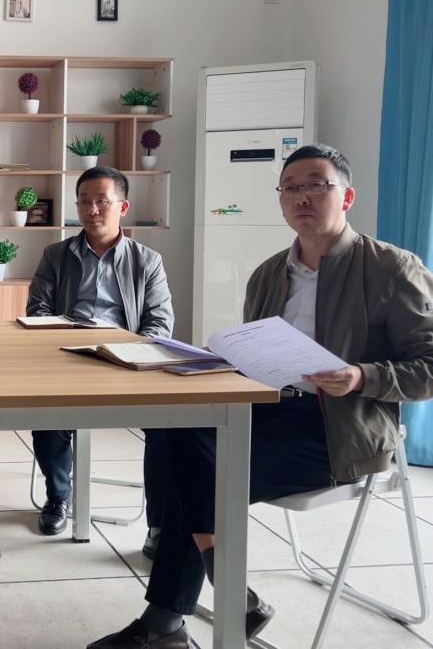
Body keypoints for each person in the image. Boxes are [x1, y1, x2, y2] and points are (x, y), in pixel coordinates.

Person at [87, 144, 433, 648]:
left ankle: (174, 618)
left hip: (340, 426)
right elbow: (257, 356)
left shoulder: (391, 269)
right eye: (290, 188)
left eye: (316, 185)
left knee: (197, 472)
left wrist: (362, 376)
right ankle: (213, 585)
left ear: (347, 197)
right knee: (173, 430)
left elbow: (429, 366)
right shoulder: (270, 273)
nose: (301, 198)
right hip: (269, 408)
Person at [27, 167, 173, 540]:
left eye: (102, 201)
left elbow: (160, 323)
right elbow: (37, 311)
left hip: (127, 362)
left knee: (170, 427)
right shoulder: (56, 255)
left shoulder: (147, 260)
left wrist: (129, 353)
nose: (92, 210)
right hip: (68, 357)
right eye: (84, 201)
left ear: (122, 207)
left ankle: (160, 524)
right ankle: (58, 496)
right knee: (44, 414)